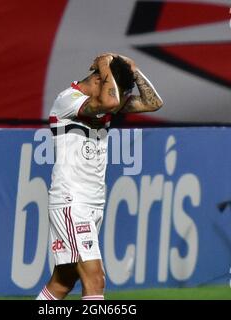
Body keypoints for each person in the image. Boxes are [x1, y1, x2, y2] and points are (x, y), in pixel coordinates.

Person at [36, 53, 163, 300]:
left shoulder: (107, 99)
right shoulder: (68, 99)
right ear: (98, 80)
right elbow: (107, 102)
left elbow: (154, 102)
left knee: (63, 282)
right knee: (96, 280)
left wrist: (133, 70)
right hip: (72, 201)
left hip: (93, 203)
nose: (118, 97)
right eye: (113, 87)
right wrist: (106, 63)